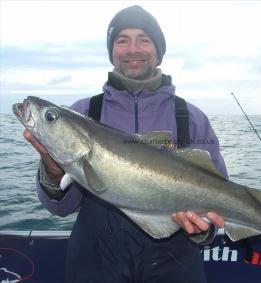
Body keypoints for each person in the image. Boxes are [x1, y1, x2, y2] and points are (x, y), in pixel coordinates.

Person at [24, 5, 228, 283]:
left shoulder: (191, 118)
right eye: (122, 40)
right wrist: (53, 171)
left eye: (144, 39)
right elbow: (61, 209)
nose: (134, 49)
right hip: (96, 265)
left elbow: (220, 202)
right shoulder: (82, 112)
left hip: (176, 267)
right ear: (112, 52)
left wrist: (202, 230)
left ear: (158, 51)